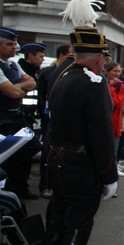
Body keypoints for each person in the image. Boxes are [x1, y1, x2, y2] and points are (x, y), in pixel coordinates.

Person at [32, 0, 118, 245]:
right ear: (97, 56)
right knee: (77, 226)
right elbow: (101, 135)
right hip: (80, 165)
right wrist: (108, 174)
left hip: (57, 159)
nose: (103, 62)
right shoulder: (93, 84)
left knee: (57, 222)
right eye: (103, 56)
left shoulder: (61, 76)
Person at [0, 27, 42, 199]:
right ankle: (7, 185)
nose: (14, 47)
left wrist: (17, 87)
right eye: (10, 44)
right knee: (9, 155)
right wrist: (20, 88)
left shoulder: (13, 65)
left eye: (15, 43)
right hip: (2, 120)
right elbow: (14, 93)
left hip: (17, 117)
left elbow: (32, 83)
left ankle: (19, 187)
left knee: (30, 148)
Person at [37, 44, 75, 199]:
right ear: (62, 55)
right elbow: (41, 95)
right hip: (50, 116)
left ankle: (56, 183)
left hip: (62, 116)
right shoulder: (50, 72)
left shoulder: (69, 71)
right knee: (48, 149)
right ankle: (45, 184)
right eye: (70, 54)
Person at [18, 42, 46, 125]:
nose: (43, 59)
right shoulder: (20, 71)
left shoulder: (37, 72)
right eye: (41, 56)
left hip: (33, 116)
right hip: (21, 116)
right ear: (30, 56)